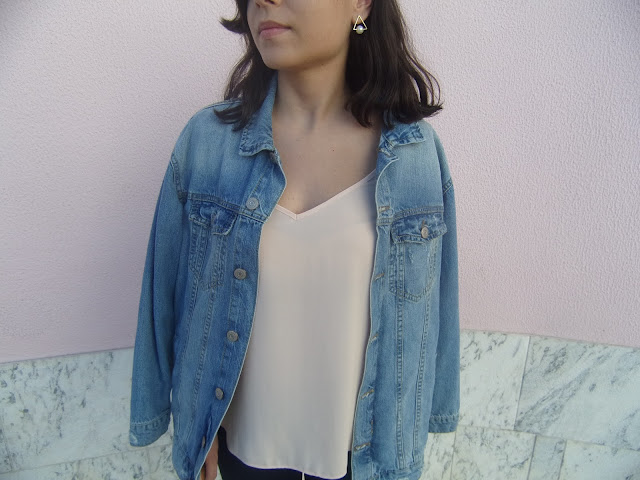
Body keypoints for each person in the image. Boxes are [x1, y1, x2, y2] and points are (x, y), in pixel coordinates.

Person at [129, 1, 460, 479]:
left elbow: (437, 310)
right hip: (242, 453)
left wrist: (430, 418)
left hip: (367, 460)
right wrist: (187, 425)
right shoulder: (208, 143)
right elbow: (164, 297)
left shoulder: (414, 155)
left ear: (361, 4)